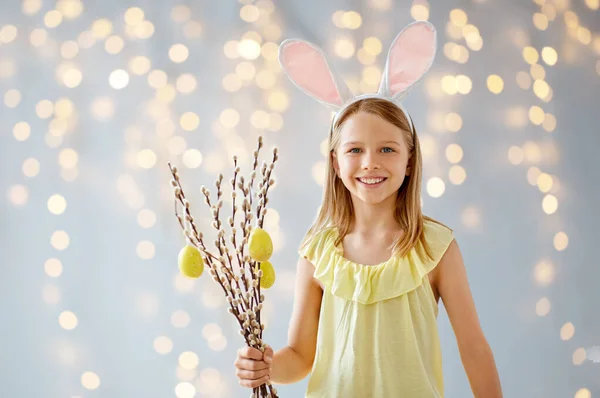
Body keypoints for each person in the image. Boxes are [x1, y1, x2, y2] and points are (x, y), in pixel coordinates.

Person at [234, 21, 503, 397]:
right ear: (335, 161)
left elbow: (473, 349)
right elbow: (300, 356)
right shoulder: (318, 253)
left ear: (410, 160)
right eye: (355, 149)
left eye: (387, 149)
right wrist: (266, 365)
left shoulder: (435, 248)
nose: (370, 163)